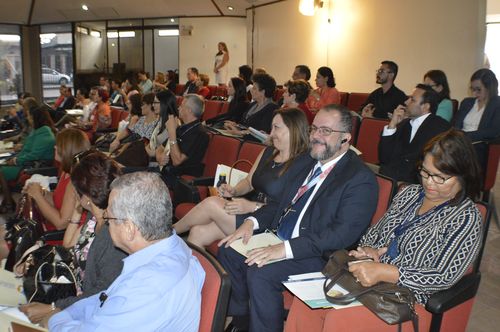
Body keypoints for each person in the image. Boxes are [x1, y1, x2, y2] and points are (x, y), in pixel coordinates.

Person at [285, 129, 483, 332]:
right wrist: (369, 250)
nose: (429, 183)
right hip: (369, 282)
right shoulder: (410, 194)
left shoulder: (466, 217)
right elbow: (375, 232)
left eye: (440, 177)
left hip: (408, 300)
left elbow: (443, 276)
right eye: (425, 172)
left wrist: (389, 272)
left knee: (339, 320)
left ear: (463, 175)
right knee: (307, 305)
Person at [218, 104, 378, 332]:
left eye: (325, 131)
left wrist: (285, 249)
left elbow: (341, 235)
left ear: (345, 139)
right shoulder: (307, 163)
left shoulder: (359, 179)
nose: (315, 136)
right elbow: (278, 203)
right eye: (314, 129)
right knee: (229, 249)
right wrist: (250, 222)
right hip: (279, 237)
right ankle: (241, 323)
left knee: (261, 272)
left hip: (319, 255)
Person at [47, 172, 205, 331]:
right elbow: (105, 298)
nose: (107, 224)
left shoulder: (146, 289)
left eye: (109, 219)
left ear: (129, 229)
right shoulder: (174, 246)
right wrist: (65, 312)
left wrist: (54, 320)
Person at [175, 108, 310, 247]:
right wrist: (234, 191)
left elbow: (287, 208)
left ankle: (168, 234)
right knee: (198, 233)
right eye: (272, 127)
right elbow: (248, 182)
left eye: (276, 128)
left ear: (293, 129)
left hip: (267, 222)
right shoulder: (268, 151)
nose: (271, 133)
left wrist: (252, 207)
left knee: (211, 204)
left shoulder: (303, 163)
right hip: (248, 212)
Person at [20, 151, 127, 325]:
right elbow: (68, 244)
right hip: (73, 292)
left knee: (34, 320)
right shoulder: (94, 219)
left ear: (88, 194)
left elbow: (102, 293)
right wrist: (78, 212)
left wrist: (54, 308)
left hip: (86, 306)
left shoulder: (111, 235)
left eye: (77, 190)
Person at [378, 84, 451, 184]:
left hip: (416, 185)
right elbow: (384, 158)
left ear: (425, 106)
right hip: (389, 179)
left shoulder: (441, 128)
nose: (406, 102)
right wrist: (392, 125)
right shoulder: (403, 124)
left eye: (412, 99)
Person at [24, 128, 90, 231]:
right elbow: (57, 200)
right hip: (51, 228)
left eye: (58, 145)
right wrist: (41, 192)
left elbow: (61, 224)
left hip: (62, 237)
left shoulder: (75, 180)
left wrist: (37, 196)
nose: (54, 147)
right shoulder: (66, 171)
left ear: (67, 150)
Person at [0, 107, 56, 213]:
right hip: (25, 162)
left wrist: (16, 160)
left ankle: (8, 203)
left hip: (32, 166)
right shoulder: (38, 131)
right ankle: (8, 201)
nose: (28, 118)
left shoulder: (44, 134)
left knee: (1, 172)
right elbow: (28, 149)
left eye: (30, 116)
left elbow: (33, 156)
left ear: (36, 119)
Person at [156, 94, 209, 188]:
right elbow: (159, 148)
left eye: (181, 106)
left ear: (189, 110)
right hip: (164, 171)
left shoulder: (199, 133)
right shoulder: (182, 127)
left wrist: (172, 132)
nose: (178, 108)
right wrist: (159, 156)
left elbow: (177, 161)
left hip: (177, 177)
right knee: (126, 172)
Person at [454, 68, 500, 170]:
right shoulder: (467, 102)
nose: (474, 93)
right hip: (460, 142)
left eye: (478, 89)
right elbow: (456, 125)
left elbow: (494, 131)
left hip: (479, 146)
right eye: (472, 89)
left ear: (489, 88)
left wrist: (466, 136)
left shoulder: (497, 104)